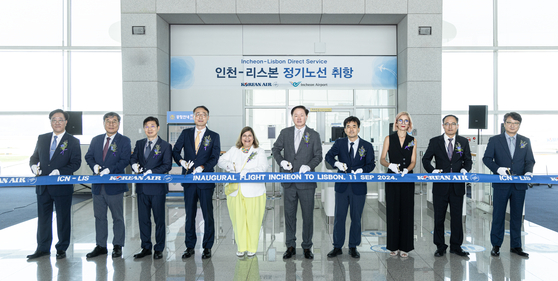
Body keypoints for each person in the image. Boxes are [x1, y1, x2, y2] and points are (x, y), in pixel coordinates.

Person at [27, 109, 81, 260]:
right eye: (54, 120)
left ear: (66, 122)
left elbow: (76, 164)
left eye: (60, 120)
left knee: (63, 218)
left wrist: (60, 171)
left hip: (62, 186)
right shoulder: (42, 138)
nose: (57, 122)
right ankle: (42, 248)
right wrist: (33, 166)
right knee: (43, 218)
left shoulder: (73, 141)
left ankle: (62, 247)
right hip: (43, 187)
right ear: (50, 122)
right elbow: (34, 157)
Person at [272, 105, 323, 259]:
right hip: (288, 182)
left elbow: (318, 155)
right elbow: (275, 149)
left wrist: (309, 166)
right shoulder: (285, 133)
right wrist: (281, 162)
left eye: (301, 115)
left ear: (306, 116)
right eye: (296, 115)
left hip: (306, 183)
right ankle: (290, 246)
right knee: (289, 215)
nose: (299, 118)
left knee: (308, 216)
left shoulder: (313, 134)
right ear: (292, 117)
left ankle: (307, 247)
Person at [483, 112, 535, 258]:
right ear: (504, 124)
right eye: (510, 122)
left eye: (516, 123)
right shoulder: (495, 140)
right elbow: (486, 159)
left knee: (517, 216)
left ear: (519, 125)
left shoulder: (525, 141)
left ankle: (516, 246)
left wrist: (528, 172)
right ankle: (496, 245)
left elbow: (529, 160)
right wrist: (497, 169)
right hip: (501, 184)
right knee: (498, 215)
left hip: (519, 185)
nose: (513, 125)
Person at [172, 105, 221, 259]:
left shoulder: (213, 135)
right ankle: (190, 246)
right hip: (189, 180)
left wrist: (203, 167)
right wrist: (181, 161)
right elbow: (175, 150)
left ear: (208, 117)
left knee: (208, 214)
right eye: (197, 114)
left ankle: (207, 247)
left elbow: (214, 157)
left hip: (205, 179)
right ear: (193, 117)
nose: (200, 117)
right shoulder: (186, 133)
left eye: (204, 114)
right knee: (190, 214)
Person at [325, 116, 375, 259]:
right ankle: (337, 246)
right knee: (339, 217)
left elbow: (371, 164)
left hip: (358, 187)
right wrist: (337, 164)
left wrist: (362, 170)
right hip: (342, 187)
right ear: (345, 129)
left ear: (358, 129)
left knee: (356, 217)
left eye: (354, 126)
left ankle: (353, 246)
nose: (351, 129)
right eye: (348, 126)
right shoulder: (339, 143)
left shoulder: (367, 146)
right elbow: (328, 157)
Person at [422, 115, 472, 257]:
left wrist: (465, 169)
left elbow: (468, 160)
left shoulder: (463, 142)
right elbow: (425, 160)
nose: (450, 126)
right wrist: (432, 171)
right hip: (440, 186)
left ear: (457, 126)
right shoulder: (434, 141)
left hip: (457, 187)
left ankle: (456, 246)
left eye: (453, 124)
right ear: (443, 125)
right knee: (439, 218)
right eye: (447, 124)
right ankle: (440, 246)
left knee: (457, 218)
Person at [84, 112, 131, 258]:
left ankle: (117, 245)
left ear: (119, 123)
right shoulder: (96, 139)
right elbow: (88, 156)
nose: (111, 124)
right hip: (98, 186)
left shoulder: (124, 140)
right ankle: (101, 246)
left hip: (115, 186)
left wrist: (110, 170)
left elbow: (125, 160)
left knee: (117, 217)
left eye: (114, 121)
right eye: (108, 121)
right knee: (99, 217)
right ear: (104, 123)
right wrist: (95, 167)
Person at [217, 126, 269, 257]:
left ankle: (252, 247)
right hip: (235, 191)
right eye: (244, 136)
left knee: (253, 220)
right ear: (241, 138)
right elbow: (220, 161)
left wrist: (248, 172)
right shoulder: (234, 150)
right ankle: (241, 247)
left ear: (253, 138)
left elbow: (264, 167)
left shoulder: (259, 151)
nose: (247, 138)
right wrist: (232, 166)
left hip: (254, 191)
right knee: (238, 220)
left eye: (249, 136)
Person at [130, 116, 173, 260]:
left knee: (159, 220)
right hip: (142, 189)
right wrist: (134, 165)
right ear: (144, 129)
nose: (149, 129)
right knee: (143, 219)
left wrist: (153, 172)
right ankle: (146, 247)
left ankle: (159, 248)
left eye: (152, 126)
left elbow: (167, 165)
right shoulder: (140, 143)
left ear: (158, 128)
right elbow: (133, 158)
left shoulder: (165, 145)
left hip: (157, 189)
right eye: (147, 126)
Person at [379, 112, 417, 257]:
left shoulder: (412, 140)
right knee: (393, 211)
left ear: (409, 124)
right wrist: (390, 165)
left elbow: (413, 161)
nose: (403, 123)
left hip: (407, 178)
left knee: (407, 211)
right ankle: (393, 245)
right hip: (393, 178)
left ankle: (405, 246)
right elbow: (382, 159)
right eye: (400, 120)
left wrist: (408, 169)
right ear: (396, 123)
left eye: (406, 121)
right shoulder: (389, 138)